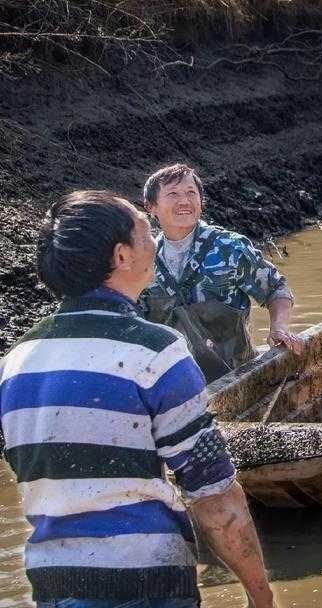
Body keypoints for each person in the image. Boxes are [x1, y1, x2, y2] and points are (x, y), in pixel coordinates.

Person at [0, 190, 274, 608]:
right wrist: (261, 596)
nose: (154, 245)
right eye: (146, 234)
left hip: (54, 587)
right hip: (148, 585)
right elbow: (216, 500)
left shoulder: (17, 361)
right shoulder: (156, 352)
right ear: (122, 257)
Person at [140, 164, 303, 382]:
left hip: (235, 375)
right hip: (171, 384)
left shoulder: (230, 247)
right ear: (151, 206)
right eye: (172, 194)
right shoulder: (142, 258)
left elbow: (275, 288)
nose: (184, 201)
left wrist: (279, 327)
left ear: (200, 201)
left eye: (191, 193)